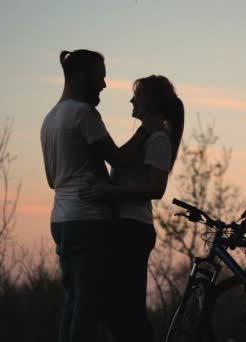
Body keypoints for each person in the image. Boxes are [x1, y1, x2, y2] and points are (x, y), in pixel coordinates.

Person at [40, 49, 159, 342]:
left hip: (61, 221)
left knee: (72, 299)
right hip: (89, 221)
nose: (104, 85)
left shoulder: (49, 119)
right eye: (100, 77)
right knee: (89, 303)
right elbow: (117, 159)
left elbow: (52, 179)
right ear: (82, 76)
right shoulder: (84, 114)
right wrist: (147, 132)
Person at [79, 75, 184, 342]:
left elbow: (156, 188)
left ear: (150, 101)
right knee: (117, 309)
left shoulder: (158, 139)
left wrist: (109, 192)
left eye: (137, 95)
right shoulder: (147, 136)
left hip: (133, 229)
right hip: (124, 228)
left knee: (128, 311)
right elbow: (119, 158)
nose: (131, 100)